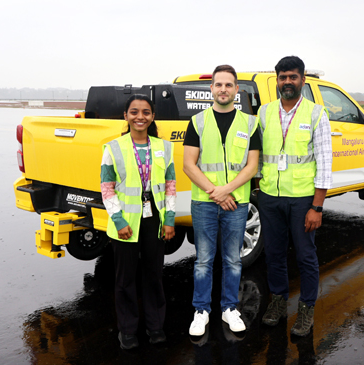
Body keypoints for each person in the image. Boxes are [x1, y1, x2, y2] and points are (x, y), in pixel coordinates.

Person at [257, 56, 333, 336]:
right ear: (276, 80)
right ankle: (277, 303)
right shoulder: (265, 113)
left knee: (305, 256)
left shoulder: (316, 114)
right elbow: (257, 155)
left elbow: (325, 162)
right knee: (274, 254)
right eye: (282, 77)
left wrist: (318, 206)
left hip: (303, 200)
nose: (287, 82)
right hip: (270, 197)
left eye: (292, 77)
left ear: (302, 79)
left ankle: (306, 309)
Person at [183, 65, 260, 337]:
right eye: (219, 85)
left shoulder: (250, 123)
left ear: (236, 90)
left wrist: (226, 190)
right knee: (203, 260)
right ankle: (201, 310)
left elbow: (251, 166)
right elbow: (188, 165)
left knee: (232, 260)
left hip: (236, 203)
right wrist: (215, 192)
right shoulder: (198, 122)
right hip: (204, 202)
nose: (223, 89)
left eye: (229, 85)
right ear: (211, 89)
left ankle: (229, 308)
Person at [100, 94, 176, 350]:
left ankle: (155, 327)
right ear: (126, 116)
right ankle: (128, 330)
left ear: (152, 116)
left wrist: (169, 219)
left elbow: (170, 186)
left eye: (145, 112)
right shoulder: (113, 148)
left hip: (154, 218)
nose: (140, 117)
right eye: (134, 112)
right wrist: (119, 221)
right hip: (125, 223)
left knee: (154, 275)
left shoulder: (164, 147)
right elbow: (107, 188)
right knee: (125, 279)